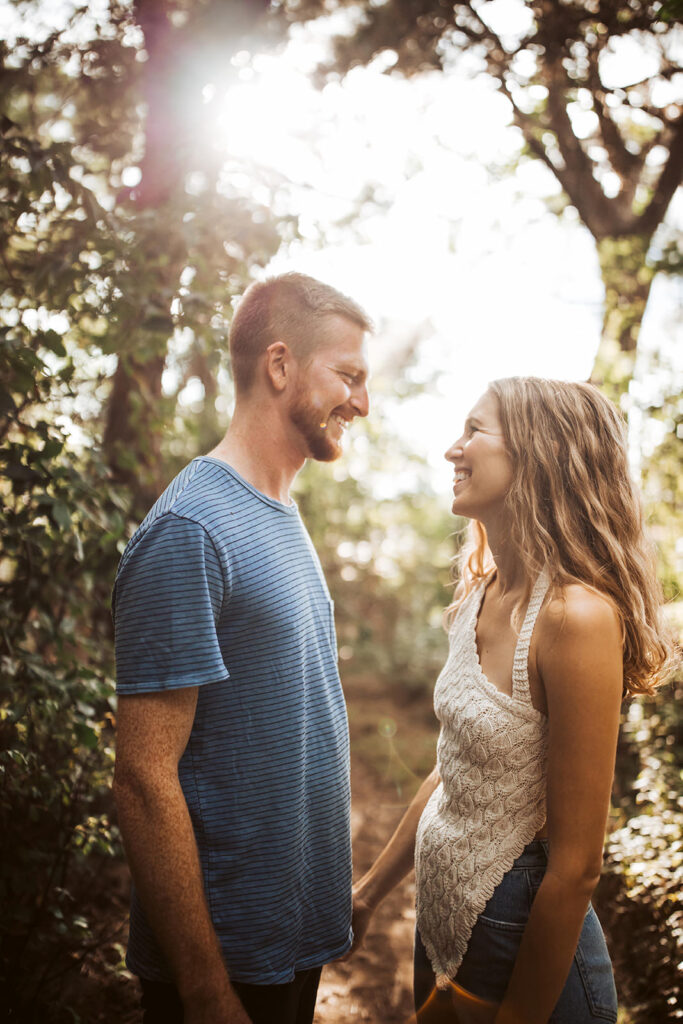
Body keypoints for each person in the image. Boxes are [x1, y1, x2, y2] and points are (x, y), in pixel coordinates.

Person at [349, 378, 673, 1024]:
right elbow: (454, 772)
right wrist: (368, 895)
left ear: (539, 451)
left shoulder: (572, 616)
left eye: (474, 430)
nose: (451, 450)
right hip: (441, 931)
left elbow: (577, 866)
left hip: (522, 954)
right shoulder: (481, 591)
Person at [112, 272, 372, 1024]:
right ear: (280, 365)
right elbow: (141, 776)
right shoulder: (191, 529)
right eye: (348, 376)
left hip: (289, 938)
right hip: (225, 965)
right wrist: (202, 988)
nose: (361, 402)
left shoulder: (277, 511)